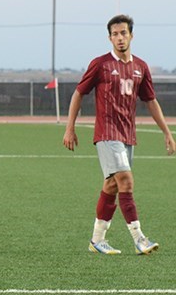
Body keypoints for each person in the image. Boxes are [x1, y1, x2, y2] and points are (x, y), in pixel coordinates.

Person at [63, 14, 175, 255]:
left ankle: (97, 240)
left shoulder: (140, 67)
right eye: (115, 34)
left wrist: (167, 132)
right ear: (110, 38)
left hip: (127, 134)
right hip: (107, 133)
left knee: (112, 185)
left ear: (131, 35)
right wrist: (70, 127)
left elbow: (151, 101)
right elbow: (79, 93)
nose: (120, 38)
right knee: (126, 180)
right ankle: (139, 238)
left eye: (123, 33)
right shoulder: (100, 64)